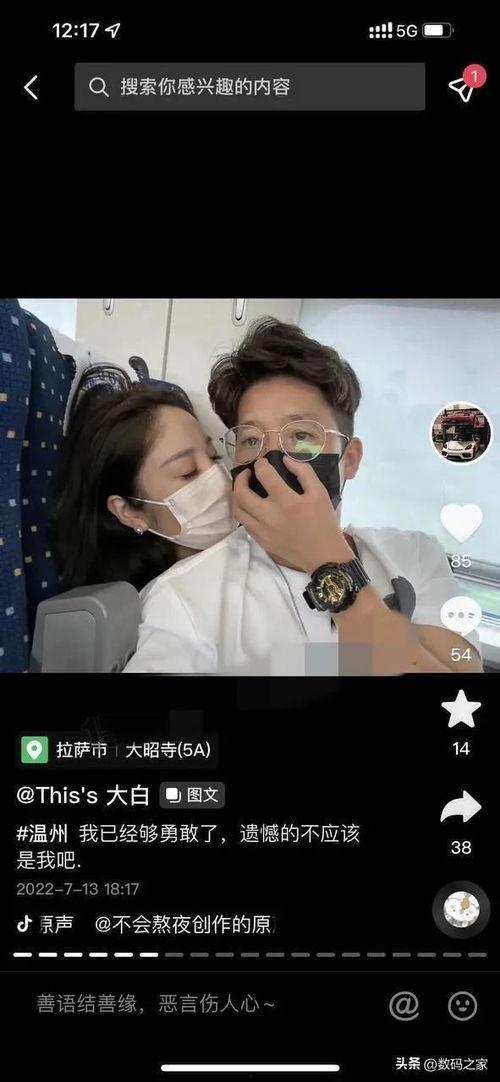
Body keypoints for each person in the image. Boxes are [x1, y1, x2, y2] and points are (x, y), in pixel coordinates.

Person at [123, 319, 482, 675]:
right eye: (251, 440)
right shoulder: (185, 596)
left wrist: (325, 558)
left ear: (350, 460)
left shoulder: (416, 554)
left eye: (301, 436)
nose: (271, 460)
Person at [50, 383, 237, 591]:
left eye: (214, 457)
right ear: (129, 511)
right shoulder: (159, 604)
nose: (222, 483)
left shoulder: (249, 548)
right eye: (188, 471)